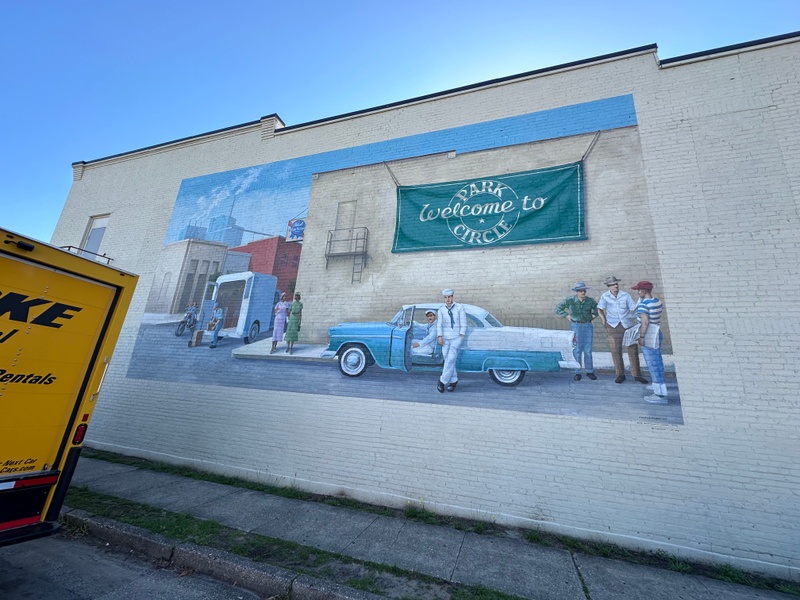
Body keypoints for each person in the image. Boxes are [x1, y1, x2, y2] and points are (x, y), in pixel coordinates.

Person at [597, 276, 648, 384]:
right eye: (613, 284)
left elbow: (633, 308)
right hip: (613, 326)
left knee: (633, 349)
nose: (616, 286)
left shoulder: (625, 295)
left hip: (627, 325)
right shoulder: (605, 296)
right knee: (616, 351)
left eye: (617, 284)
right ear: (609, 286)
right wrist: (604, 321)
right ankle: (620, 374)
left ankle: (637, 375)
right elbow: (600, 309)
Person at [632, 281, 668, 404]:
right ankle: (658, 384)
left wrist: (641, 336)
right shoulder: (657, 301)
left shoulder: (643, 305)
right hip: (657, 331)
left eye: (639, 290)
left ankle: (660, 394)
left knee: (653, 363)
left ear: (644, 290)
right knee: (657, 360)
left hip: (649, 334)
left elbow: (645, 323)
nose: (638, 292)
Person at [555, 282, 598, 381]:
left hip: (587, 326)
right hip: (576, 326)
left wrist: (593, 316)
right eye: (580, 291)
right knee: (577, 350)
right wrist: (566, 315)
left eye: (584, 291)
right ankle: (578, 372)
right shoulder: (570, 300)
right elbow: (558, 308)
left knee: (588, 350)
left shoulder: (590, 301)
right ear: (577, 292)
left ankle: (589, 371)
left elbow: (597, 310)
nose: (583, 292)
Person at [436, 288, 466, 392]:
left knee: (451, 359)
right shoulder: (441, 310)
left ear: (452, 297)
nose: (448, 299)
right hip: (445, 339)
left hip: (456, 338)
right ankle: (454, 380)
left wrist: (461, 335)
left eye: (449, 297)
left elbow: (463, 322)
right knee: (448, 360)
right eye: (446, 297)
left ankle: (442, 381)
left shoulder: (459, 308)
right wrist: (439, 336)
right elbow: (439, 324)